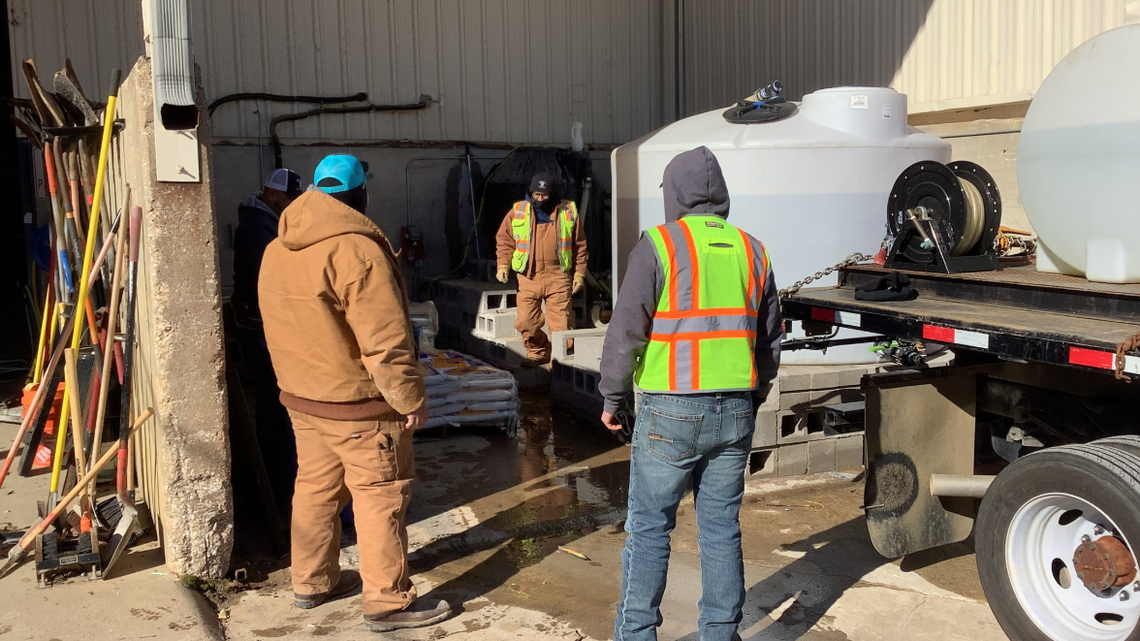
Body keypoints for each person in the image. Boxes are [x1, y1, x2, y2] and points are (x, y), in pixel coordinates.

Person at [258, 155, 450, 632]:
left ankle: (312, 581)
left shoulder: (277, 247)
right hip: (358, 406)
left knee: (315, 489)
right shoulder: (357, 251)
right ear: (360, 194)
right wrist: (410, 399)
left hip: (304, 399)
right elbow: (385, 341)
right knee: (380, 495)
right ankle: (388, 603)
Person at [598, 146, 782, 641]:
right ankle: (720, 633)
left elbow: (626, 331)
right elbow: (769, 343)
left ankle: (637, 634)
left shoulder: (658, 245)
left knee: (649, 529)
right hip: (735, 410)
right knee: (721, 529)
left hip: (670, 409)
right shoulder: (753, 250)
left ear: (675, 194)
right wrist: (753, 398)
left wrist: (612, 397)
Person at [231, 167, 304, 516]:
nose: (291, 206)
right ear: (272, 195)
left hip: (266, 324)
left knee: (277, 404)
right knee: (276, 406)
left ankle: (279, 480)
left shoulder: (268, 223)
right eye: (288, 199)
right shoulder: (257, 228)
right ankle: (277, 484)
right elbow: (277, 275)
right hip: (261, 328)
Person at [495, 172, 588, 366]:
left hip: (558, 276)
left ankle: (559, 361)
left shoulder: (568, 211)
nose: (540, 198)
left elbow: (580, 245)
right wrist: (503, 264)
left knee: (561, 323)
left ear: (552, 193)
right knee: (526, 321)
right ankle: (537, 352)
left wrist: (579, 273)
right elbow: (504, 240)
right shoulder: (518, 211)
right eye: (536, 194)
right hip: (528, 276)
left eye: (544, 195)